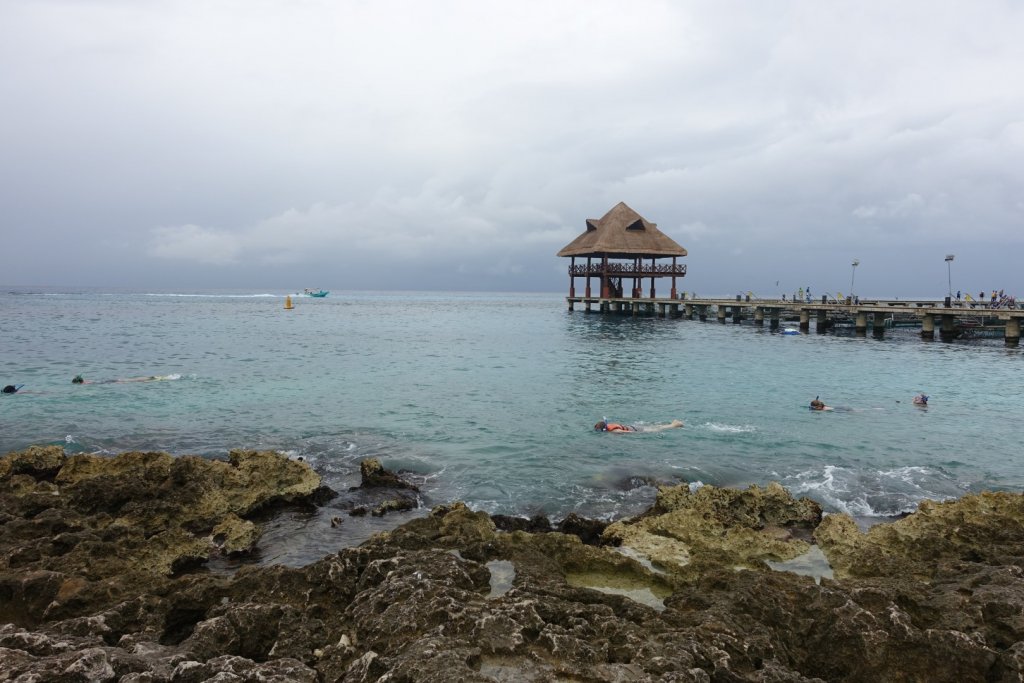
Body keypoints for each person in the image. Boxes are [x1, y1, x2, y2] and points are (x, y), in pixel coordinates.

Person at [594, 419, 684, 433]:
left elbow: (628, 432)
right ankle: (673, 423)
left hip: (636, 429)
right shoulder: (608, 425)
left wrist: (641, 434)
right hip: (633, 426)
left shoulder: (614, 431)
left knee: (656, 430)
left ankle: (675, 425)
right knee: (655, 426)